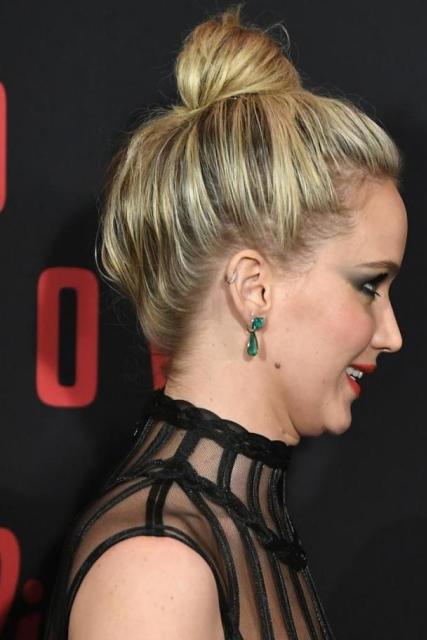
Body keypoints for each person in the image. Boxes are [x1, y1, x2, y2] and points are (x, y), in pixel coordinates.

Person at [43, 10, 405, 639]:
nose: (391, 333)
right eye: (369, 286)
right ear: (253, 288)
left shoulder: (240, 527)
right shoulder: (159, 565)